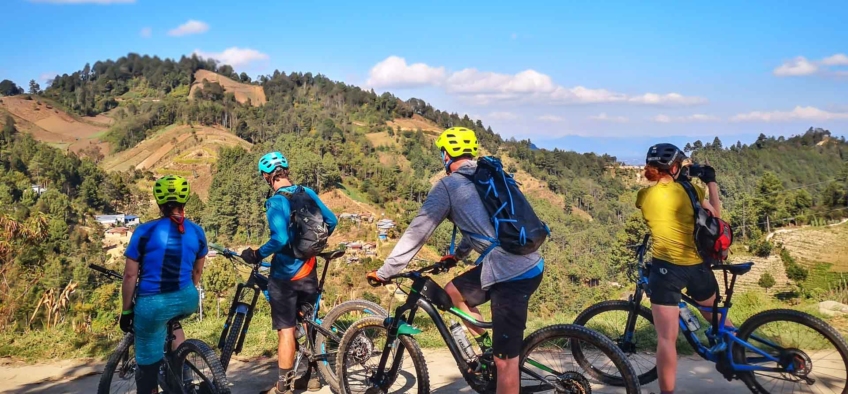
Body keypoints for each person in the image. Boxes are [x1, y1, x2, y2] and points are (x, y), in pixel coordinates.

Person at [368, 127, 544, 394]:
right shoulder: (485, 176)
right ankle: (487, 347)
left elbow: (417, 232)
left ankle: (496, 360)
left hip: (511, 274)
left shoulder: (448, 186)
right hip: (522, 262)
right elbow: (488, 227)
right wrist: (458, 256)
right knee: (452, 293)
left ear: (446, 154)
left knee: (506, 362)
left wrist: (387, 271)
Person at [240, 151, 338, 394]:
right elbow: (332, 221)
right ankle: (313, 378)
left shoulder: (275, 202)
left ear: (267, 176)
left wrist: (257, 253)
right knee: (309, 321)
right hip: (309, 268)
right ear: (285, 171)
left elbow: (280, 238)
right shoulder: (307, 192)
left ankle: (283, 386)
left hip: (285, 275)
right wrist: (311, 246)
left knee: (285, 330)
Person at [637, 143, 729, 394]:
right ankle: (738, 350)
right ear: (676, 166)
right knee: (714, 314)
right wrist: (710, 183)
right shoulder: (692, 191)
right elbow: (716, 219)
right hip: (697, 267)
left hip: (665, 271)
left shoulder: (644, 197)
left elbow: (656, 198)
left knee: (667, 339)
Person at [120, 175, 207, 394]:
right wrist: (184, 292)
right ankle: (182, 376)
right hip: (187, 298)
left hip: (153, 305)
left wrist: (126, 310)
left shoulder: (144, 231)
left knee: (147, 365)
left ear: (159, 202)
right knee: (173, 323)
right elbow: (196, 272)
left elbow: (130, 276)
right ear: (184, 201)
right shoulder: (197, 231)